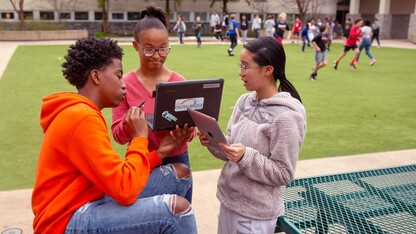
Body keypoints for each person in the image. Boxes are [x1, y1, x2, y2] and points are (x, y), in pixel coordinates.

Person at [31, 37, 197, 233]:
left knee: (180, 174)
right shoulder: (81, 117)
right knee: (176, 211)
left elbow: (112, 176)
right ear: (96, 76)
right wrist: (139, 137)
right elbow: (125, 190)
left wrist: (159, 153)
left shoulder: (83, 112)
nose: (124, 84)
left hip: (87, 200)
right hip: (65, 221)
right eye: (118, 76)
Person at [198, 36, 307, 233]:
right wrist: (214, 142)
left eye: (246, 66)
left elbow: (283, 173)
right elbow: (231, 150)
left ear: (268, 70)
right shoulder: (244, 101)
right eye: (240, 65)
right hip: (229, 202)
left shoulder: (287, 116)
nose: (240, 73)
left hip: (255, 214)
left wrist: (245, 156)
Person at [112, 5, 196, 203]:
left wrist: (186, 131)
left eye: (163, 48)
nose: (157, 55)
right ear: (136, 46)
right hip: (141, 162)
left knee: (179, 215)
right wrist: (131, 123)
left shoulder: (179, 82)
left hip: (178, 160)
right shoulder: (124, 85)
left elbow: (190, 132)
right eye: (149, 49)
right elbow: (117, 134)